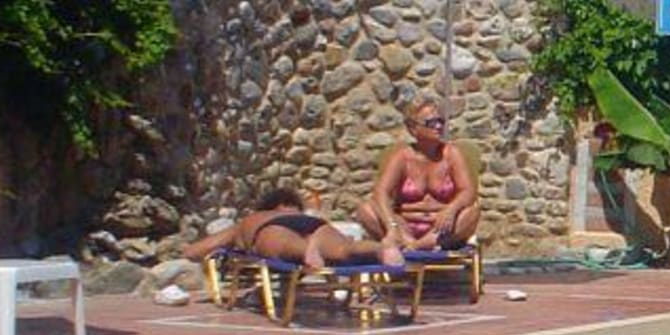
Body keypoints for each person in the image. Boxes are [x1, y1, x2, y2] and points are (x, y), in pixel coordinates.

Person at [358, 98, 479, 252]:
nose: (438, 126)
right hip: (405, 229)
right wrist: (391, 225)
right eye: (431, 123)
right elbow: (381, 193)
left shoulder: (451, 154)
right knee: (365, 209)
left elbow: (468, 191)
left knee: (472, 212)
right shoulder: (402, 157)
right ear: (413, 128)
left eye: (440, 121)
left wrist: (451, 209)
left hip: (441, 232)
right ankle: (409, 243)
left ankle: (416, 247)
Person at [185, 187, 405, 271]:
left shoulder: (253, 219)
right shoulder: (302, 214)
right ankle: (380, 248)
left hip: (271, 229)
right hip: (315, 225)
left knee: (287, 246)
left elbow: (195, 252)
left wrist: (232, 242)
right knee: (344, 248)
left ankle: (305, 249)